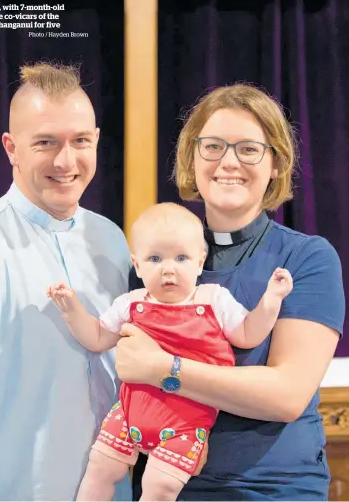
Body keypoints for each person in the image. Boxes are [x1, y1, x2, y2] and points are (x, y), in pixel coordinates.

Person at [0, 62, 132, 501]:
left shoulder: (112, 240)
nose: (66, 161)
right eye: (45, 142)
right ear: (11, 147)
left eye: (80, 141)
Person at [118, 84, 345, 501]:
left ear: (275, 162)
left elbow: (287, 395)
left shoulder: (306, 258)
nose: (228, 162)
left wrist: (163, 369)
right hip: (168, 488)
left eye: (248, 149)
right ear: (191, 157)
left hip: (273, 490)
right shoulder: (156, 260)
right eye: (213, 146)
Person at [48, 202, 293, 501]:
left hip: (184, 425)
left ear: (200, 262)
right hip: (128, 414)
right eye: (155, 258)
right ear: (137, 266)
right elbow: (97, 338)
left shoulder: (213, 299)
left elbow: (248, 333)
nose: (168, 269)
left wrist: (272, 299)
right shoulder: (130, 303)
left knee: (159, 486)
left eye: (181, 258)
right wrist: (71, 309)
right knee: (98, 469)